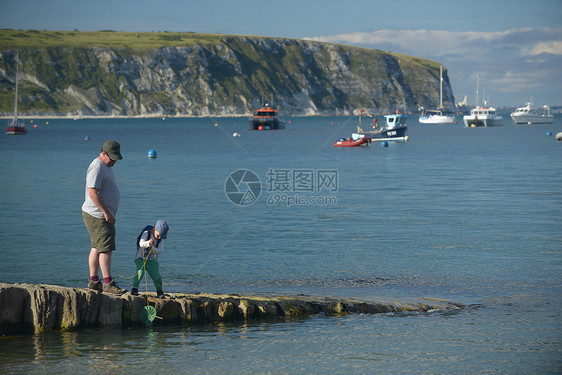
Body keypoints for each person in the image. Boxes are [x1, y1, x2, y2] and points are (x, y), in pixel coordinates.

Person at [82, 140, 127, 295]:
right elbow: (92, 192)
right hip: (98, 215)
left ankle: (94, 281)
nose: (114, 161)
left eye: (116, 158)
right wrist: (106, 212)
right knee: (106, 248)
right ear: (103, 153)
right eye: (112, 158)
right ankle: (108, 283)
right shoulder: (97, 167)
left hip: (98, 214)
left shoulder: (105, 166)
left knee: (97, 247)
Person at [131, 220, 169, 298]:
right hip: (140, 258)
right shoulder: (146, 233)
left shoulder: (160, 239)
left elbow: (160, 251)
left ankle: (159, 291)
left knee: (156, 276)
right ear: (154, 230)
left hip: (152, 260)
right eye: (158, 235)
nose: (159, 238)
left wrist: (152, 248)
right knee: (140, 273)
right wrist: (148, 243)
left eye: (161, 236)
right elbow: (141, 243)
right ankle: (134, 289)